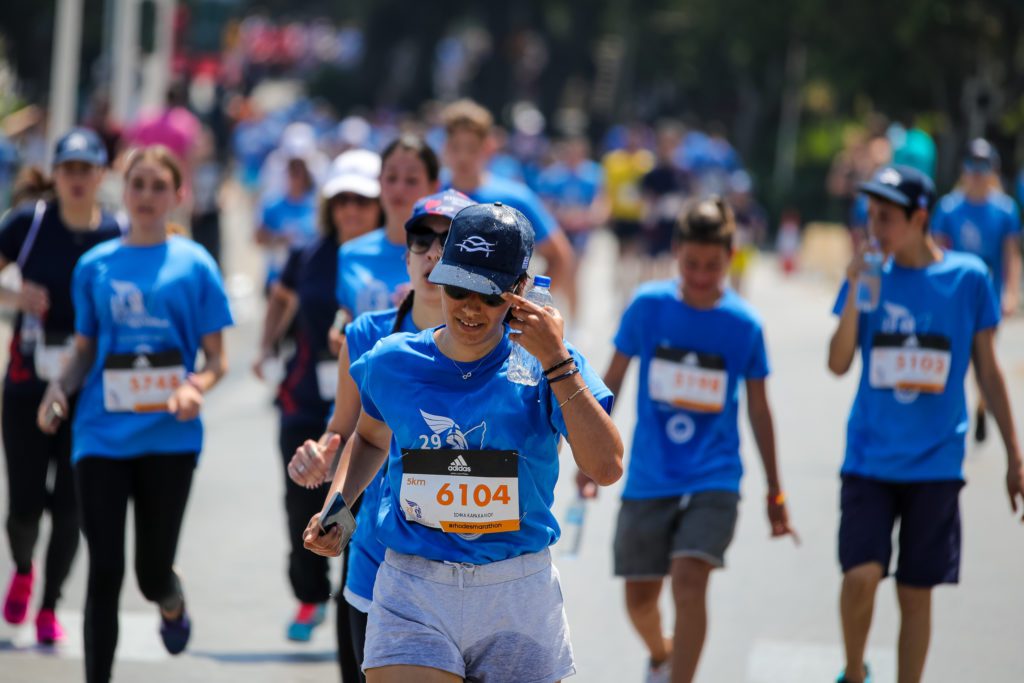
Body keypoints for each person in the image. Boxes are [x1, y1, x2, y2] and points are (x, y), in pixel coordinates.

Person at [302, 202, 623, 682]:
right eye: (458, 287)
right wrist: (339, 510)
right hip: (413, 585)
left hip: (515, 589)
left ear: (520, 292)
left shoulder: (551, 364)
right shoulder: (392, 361)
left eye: (490, 294)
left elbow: (607, 466)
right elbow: (369, 439)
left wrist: (556, 360)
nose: (470, 308)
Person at [37, 146, 233, 683]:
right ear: (124, 192)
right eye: (137, 185)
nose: (146, 196)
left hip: (170, 438)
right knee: (104, 571)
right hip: (100, 432)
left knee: (149, 575)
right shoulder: (94, 266)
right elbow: (83, 349)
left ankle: (170, 601)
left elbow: (217, 360)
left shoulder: (195, 264)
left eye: (157, 186)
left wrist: (197, 387)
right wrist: (59, 387)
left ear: (177, 194)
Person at [827, 165, 1024, 683]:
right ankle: (853, 673)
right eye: (870, 216)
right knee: (859, 577)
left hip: (936, 463)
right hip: (870, 457)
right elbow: (839, 362)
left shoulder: (966, 279)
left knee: (916, 592)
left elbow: (988, 367)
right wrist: (852, 290)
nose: (875, 229)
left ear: (919, 218)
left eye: (887, 218)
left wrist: (1014, 455)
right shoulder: (870, 276)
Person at [598, 197, 796, 683]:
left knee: (690, 580)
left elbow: (759, 407)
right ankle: (662, 654)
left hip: (715, 475)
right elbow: (613, 379)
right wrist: (592, 450)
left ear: (731, 257)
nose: (701, 276)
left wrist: (776, 489)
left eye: (712, 265)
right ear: (675, 253)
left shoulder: (744, 325)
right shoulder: (648, 307)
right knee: (640, 599)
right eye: (691, 264)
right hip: (650, 473)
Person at [289, 189, 474, 678]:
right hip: (379, 555)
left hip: (475, 565)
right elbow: (349, 434)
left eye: (451, 240)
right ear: (406, 255)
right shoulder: (367, 335)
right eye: (422, 240)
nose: (434, 252)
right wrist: (333, 507)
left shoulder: (503, 342)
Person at [0, 128, 122, 645]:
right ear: (55, 174)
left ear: (100, 174)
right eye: (67, 169)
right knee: (25, 502)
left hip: (88, 389)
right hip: (29, 382)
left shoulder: (114, 232)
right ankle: (24, 567)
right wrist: (13, 292)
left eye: (85, 169)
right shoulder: (30, 222)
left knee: (72, 502)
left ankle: (50, 603)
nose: (76, 178)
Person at [931, 138, 1022, 442]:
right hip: (955, 297)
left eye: (983, 167)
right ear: (963, 170)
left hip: (988, 297)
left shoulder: (1005, 209)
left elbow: (1011, 254)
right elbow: (938, 252)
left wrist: (1011, 292)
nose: (977, 173)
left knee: (985, 360)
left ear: (992, 170)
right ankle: (958, 414)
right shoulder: (948, 208)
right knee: (958, 358)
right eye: (971, 166)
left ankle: (982, 406)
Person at [439, 100, 575, 300]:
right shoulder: (431, 192)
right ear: (445, 147)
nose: (463, 157)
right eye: (456, 147)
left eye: (471, 147)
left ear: (488, 147)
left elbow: (560, 256)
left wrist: (525, 305)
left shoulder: (516, 198)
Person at [329, 136, 439, 354]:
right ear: (379, 182)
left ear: (434, 187)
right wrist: (337, 328)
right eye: (391, 177)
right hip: (363, 383)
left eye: (411, 180)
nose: (399, 188)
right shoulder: (350, 253)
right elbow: (346, 311)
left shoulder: (444, 256)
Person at [536, 136, 608, 326]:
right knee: (558, 274)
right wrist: (562, 215)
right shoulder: (553, 176)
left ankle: (574, 320)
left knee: (573, 275)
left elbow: (599, 201)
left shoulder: (593, 174)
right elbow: (544, 204)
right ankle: (555, 314)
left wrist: (590, 216)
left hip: (581, 232)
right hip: (559, 230)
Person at [255, 146, 320, 290]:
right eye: (292, 171)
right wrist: (279, 239)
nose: (296, 176)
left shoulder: (315, 205)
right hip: (277, 278)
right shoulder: (272, 205)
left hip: (307, 277)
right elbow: (258, 238)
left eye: (299, 170)